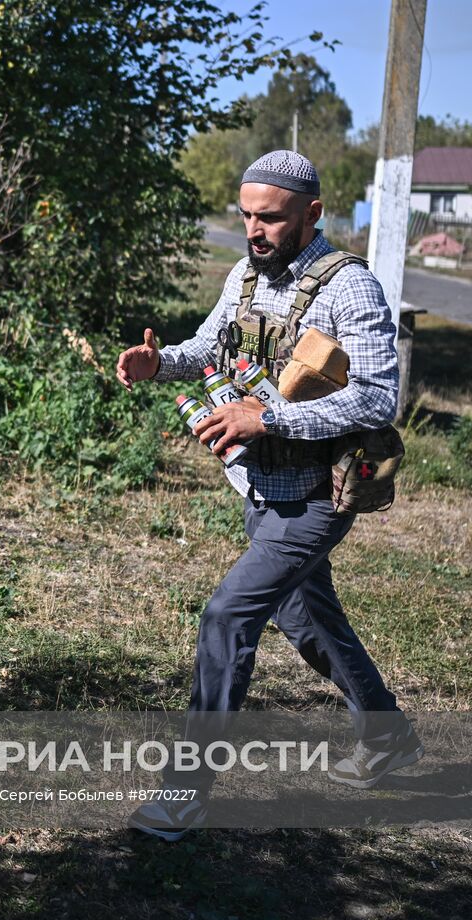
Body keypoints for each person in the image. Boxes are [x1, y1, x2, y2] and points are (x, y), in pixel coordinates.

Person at [115, 150, 421, 840]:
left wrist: (269, 416)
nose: (254, 230)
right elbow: (209, 345)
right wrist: (160, 363)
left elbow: (377, 397)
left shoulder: (351, 289)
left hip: (317, 495)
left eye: (270, 218)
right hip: (261, 488)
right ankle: (388, 734)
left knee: (228, 616)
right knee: (308, 617)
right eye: (246, 216)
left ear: (312, 214)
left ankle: (183, 794)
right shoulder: (245, 273)